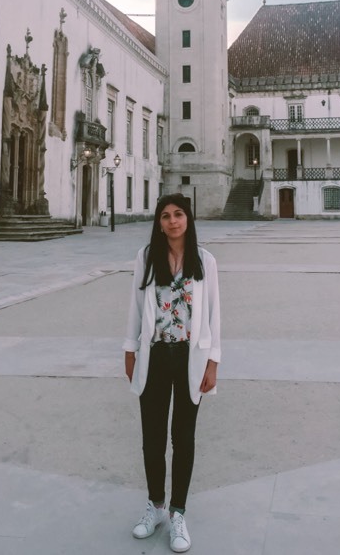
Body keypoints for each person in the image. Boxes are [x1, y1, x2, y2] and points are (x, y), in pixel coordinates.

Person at [123, 193, 221, 553]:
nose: (172, 221)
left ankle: (179, 512)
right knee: (152, 437)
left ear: (189, 219)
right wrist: (129, 350)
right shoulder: (146, 258)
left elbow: (214, 315)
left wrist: (213, 361)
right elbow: (135, 307)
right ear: (159, 222)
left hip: (190, 358)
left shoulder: (205, 261)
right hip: (154, 355)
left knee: (183, 437)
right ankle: (155, 506)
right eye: (165, 216)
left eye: (178, 214)